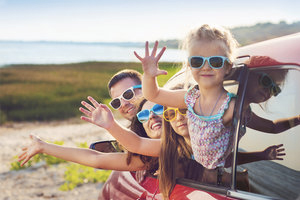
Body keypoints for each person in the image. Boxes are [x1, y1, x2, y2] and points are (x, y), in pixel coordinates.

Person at [133, 24, 300, 170]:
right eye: (198, 62)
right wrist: (149, 75)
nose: (206, 67)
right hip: (193, 170)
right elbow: (153, 94)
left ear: (227, 67)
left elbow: (272, 127)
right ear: (190, 66)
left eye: (215, 61)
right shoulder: (190, 98)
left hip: (215, 175)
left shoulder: (235, 106)